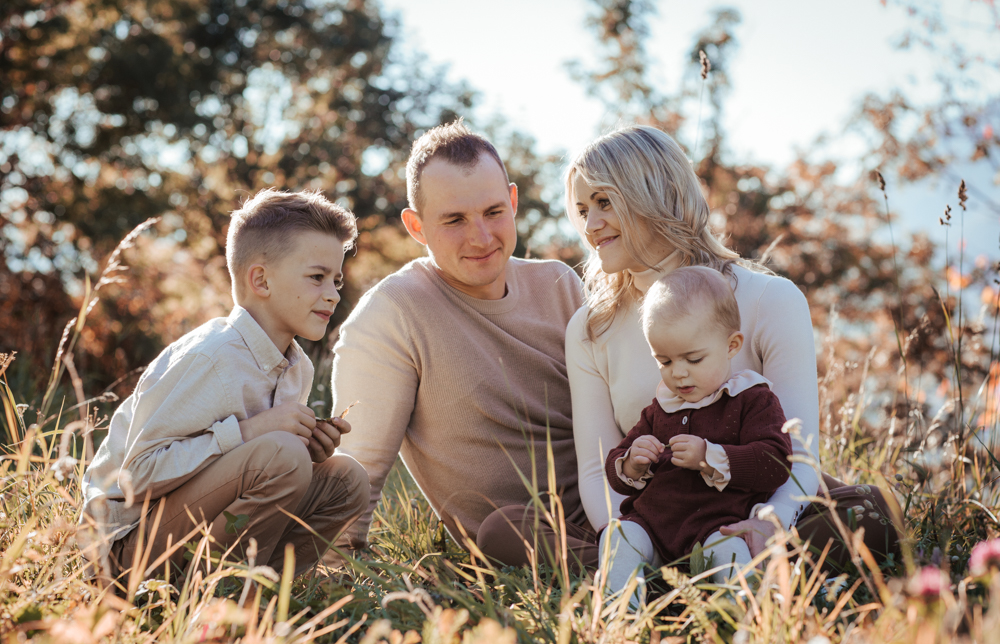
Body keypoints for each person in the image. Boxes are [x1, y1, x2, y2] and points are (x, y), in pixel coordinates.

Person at [566, 125, 900, 576]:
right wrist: (627, 542)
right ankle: (655, 577)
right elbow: (596, 470)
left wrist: (768, 525)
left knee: (873, 515)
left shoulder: (770, 299)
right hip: (654, 521)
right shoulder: (590, 329)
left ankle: (729, 571)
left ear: (656, 194)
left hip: (748, 513)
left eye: (604, 203)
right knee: (507, 528)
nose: (590, 226)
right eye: (582, 210)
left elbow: (798, 454)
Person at [331, 120, 594, 565]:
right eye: (454, 220)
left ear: (513, 201)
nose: (481, 237)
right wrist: (335, 570)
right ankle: (628, 569)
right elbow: (360, 467)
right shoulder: (393, 313)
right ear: (416, 226)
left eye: (493, 212)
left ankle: (652, 550)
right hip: (526, 537)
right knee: (501, 530)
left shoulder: (559, 285)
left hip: (619, 505)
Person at [79, 189, 371, 583]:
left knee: (347, 479)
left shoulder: (297, 367)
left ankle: (262, 588)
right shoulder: (211, 356)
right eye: (317, 277)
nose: (333, 295)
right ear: (261, 280)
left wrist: (309, 449)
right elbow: (137, 477)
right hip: (127, 551)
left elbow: (253, 472)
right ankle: (218, 600)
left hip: (195, 531)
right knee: (282, 455)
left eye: (336, 280)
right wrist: (253, 432)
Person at [602, 266, 792, 609]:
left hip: (716, 528)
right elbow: (616, 470)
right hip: (652, 529)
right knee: (618, 536)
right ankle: (619, 615)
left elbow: (775, 462)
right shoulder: (661, 409)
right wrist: (630, 463)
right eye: (664, 361)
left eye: (693, 359)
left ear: (732, 345)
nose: (678, 372)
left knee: (732, 553)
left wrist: (710, 456)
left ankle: (749, 618)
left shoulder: (752, 399)